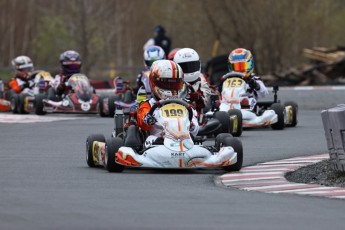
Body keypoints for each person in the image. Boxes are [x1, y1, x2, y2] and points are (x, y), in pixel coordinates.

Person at [136, 60, 199, 146]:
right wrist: (147, 119)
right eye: (166, 83)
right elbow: (142, 122)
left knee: (192, 138)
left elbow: (195, 129)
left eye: (174, 84)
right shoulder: (148, 105)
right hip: (157, 141)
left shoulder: (186, 105)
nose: (171, 88)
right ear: (154, 82)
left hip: (184, 140)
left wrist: (191, 126)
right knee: (152, 139)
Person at [173, 48, 211, 113]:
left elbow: (205, 104)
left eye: (192, 66)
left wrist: (198, 98)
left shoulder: (202, 83)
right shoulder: (173, 83)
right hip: (176, 114)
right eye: (184, 67)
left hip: (196, 118)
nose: (189, 69)